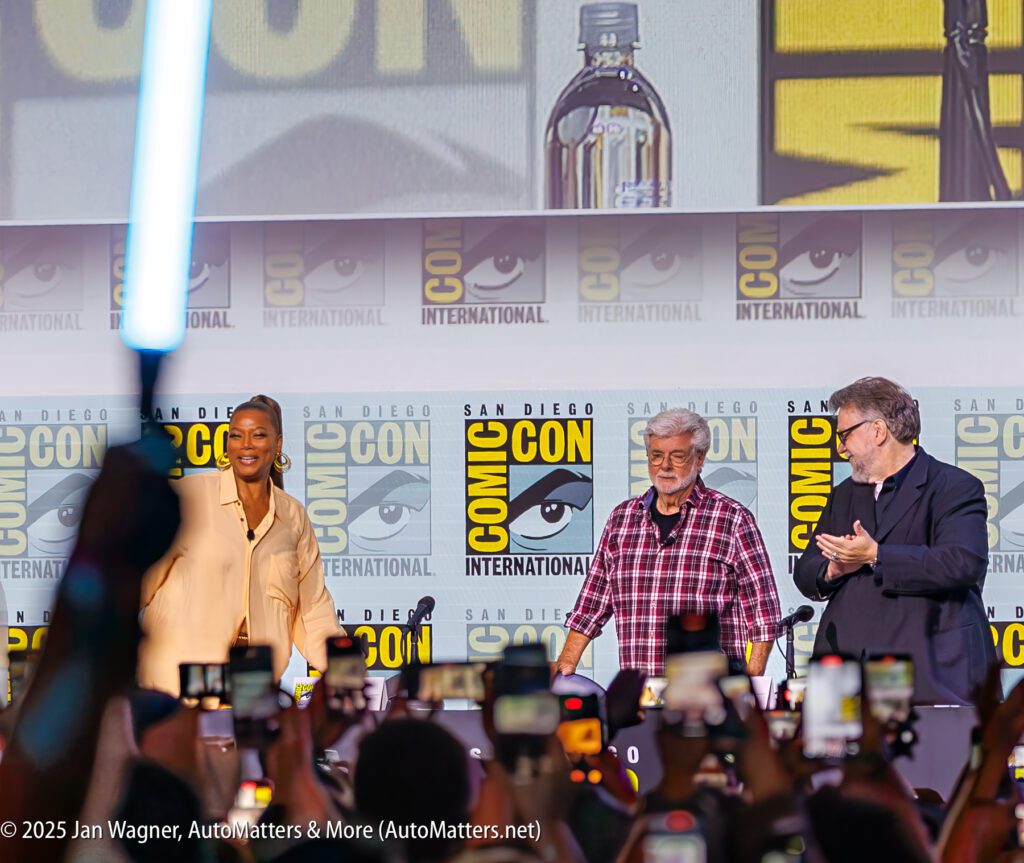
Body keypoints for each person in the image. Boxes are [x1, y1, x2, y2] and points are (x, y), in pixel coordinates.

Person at [793, 377, 994, 704]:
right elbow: (806, 570)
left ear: (878, 431)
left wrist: (876, 555)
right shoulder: (843, 495)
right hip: (847, 678)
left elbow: (962, 562)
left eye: (844, 435)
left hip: (931, 674)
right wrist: (833, 569)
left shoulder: (954, 487)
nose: (840, 448)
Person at [137, 395, 342, 695]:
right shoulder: (189, 498)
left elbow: (313, 613)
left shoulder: (293, 517)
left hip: (253, 692)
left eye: (258, 435)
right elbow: (135, 583)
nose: (246, 444)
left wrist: (347, 674)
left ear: (278, 444)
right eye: (236, 435)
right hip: (173, 691)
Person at [556, 408, 781, 677]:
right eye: (656, 455)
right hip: (640, 692)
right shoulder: (621, 519)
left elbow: (764, 612)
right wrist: (566, 662)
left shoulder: (732, 519)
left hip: (708, 692)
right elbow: (591, 604)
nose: (664, 466)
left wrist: (751, 683)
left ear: (700, 458)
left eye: (677, 456)